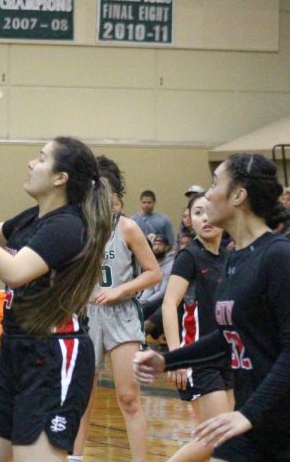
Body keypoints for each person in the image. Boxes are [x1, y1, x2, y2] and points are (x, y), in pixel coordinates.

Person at [0, 137, 112, 462]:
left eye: (41, 158)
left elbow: (14, 271)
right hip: (14, 353)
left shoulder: (68, 226)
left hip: (53, 357)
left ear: (61, 178)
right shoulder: (35, 217)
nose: (31, 164)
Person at [134, 153, 290, 461]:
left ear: (239, 195)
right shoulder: (234, 257)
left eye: (215, 184)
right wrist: (167, 361)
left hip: (288, 430)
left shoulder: (279, 256)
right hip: (248, 425)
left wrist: (247, 415)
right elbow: (228, 336)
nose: (208, 194)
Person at [71, 156, 161, 462]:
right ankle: (74, 458)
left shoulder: (128, 228)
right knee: (81, 399)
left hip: (122, 315)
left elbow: (154, 272)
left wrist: (119, 290)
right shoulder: (78, 226)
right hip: (86, 315)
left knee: (128, 397)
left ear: (115, 195)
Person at [160, 193, 234, 462]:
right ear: (189, 220)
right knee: (219, 437)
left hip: (228, 357)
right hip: (200, 357)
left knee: (222, 440)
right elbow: (169, 305)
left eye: (210, 211)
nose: (205, 217)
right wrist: (175, 358)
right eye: (198, 212)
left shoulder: (229, 257)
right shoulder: (189, 256)